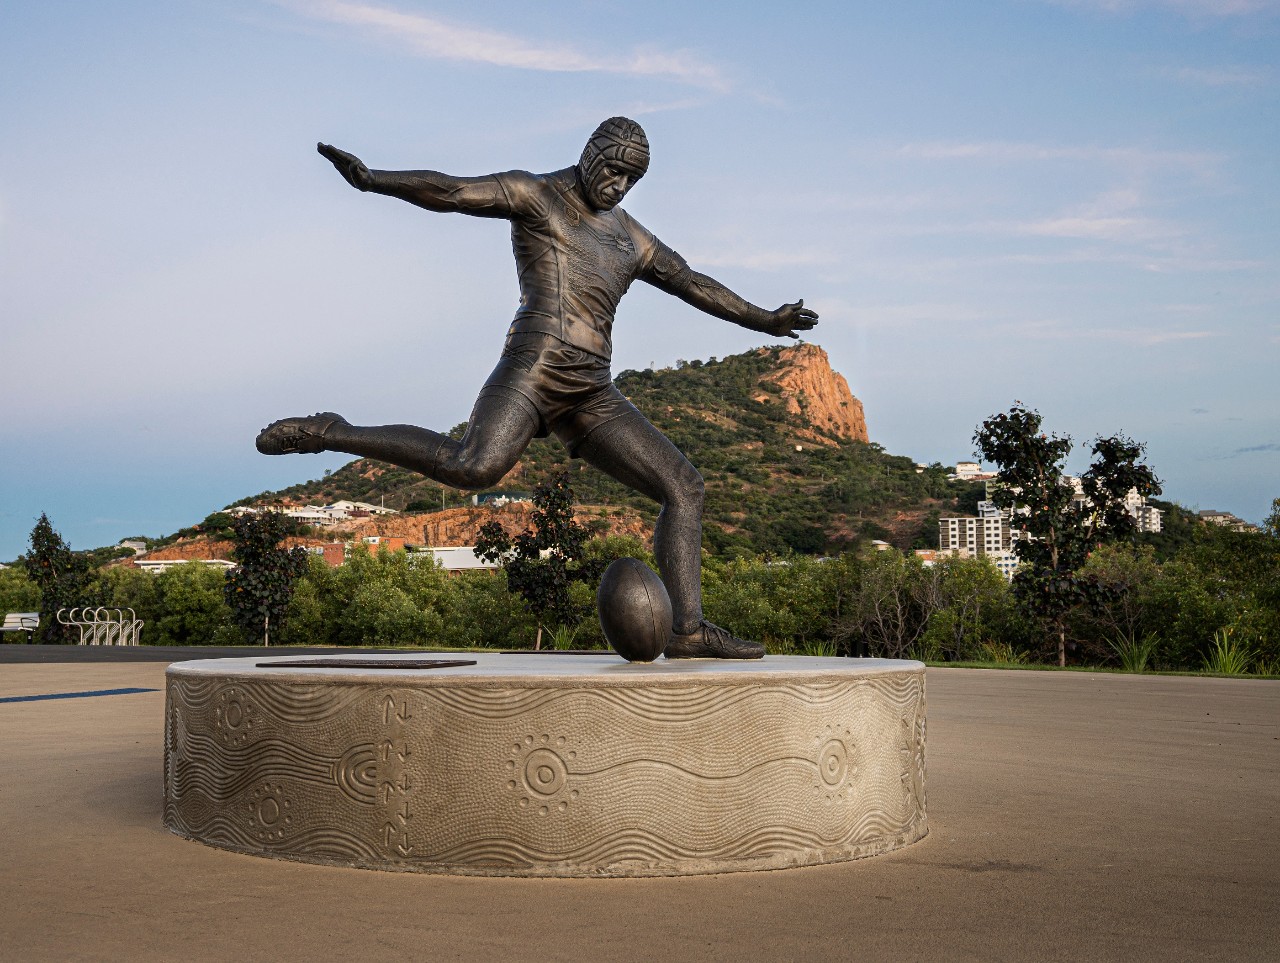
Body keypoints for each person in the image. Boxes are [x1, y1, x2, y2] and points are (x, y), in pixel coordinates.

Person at [257, 117, 818, 658]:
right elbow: (451, 191)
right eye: (614, 170)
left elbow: (692, 282)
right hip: (534, 365)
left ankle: (687, 632)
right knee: (473, 467)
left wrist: (766, 319)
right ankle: (331, 431)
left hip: (591, 389)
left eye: (632, 178)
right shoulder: (536, 195)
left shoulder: (632, 238)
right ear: (590, 154)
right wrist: (375, 180)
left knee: (684, 487)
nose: (619, 185)